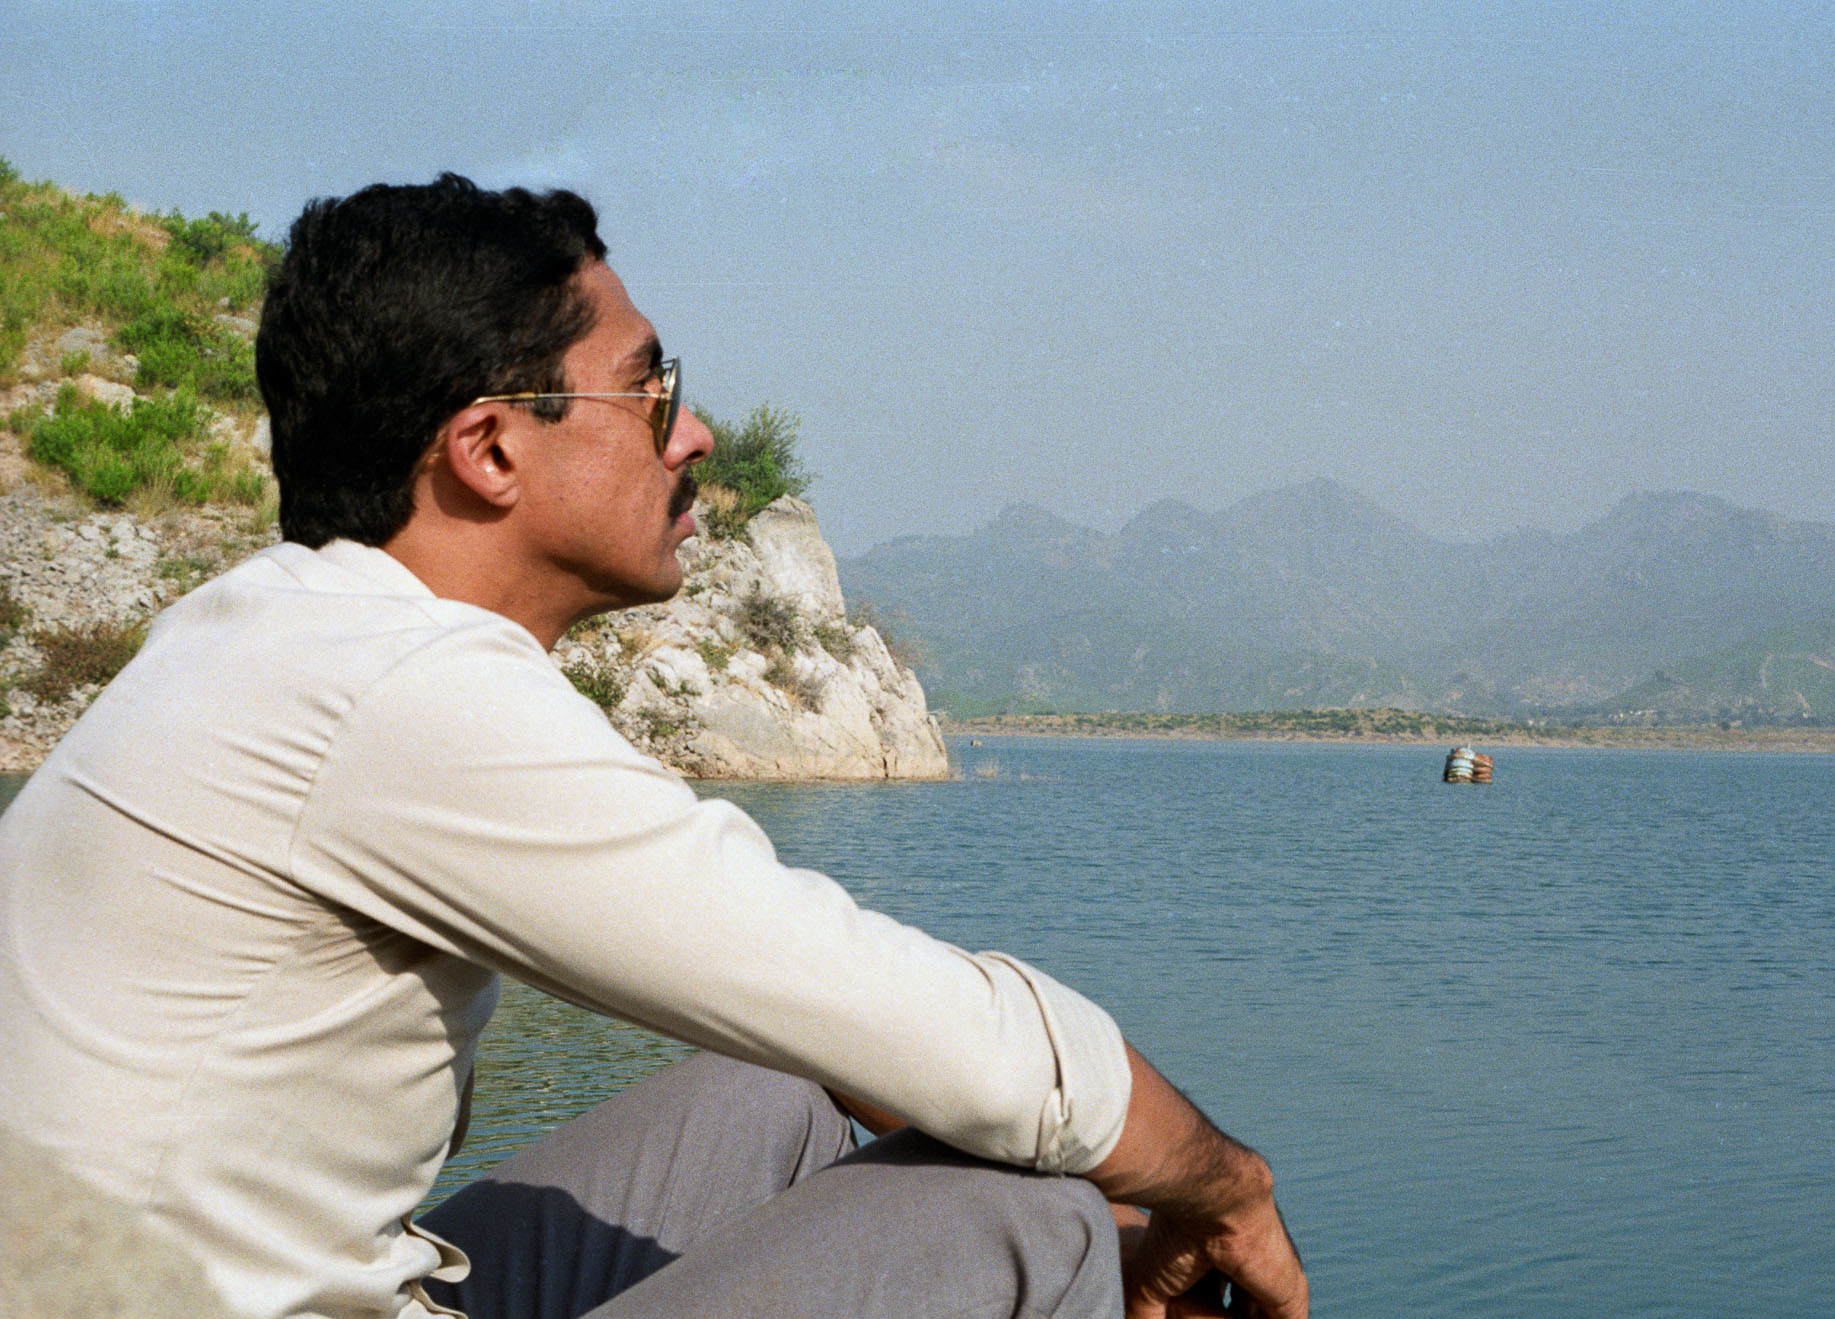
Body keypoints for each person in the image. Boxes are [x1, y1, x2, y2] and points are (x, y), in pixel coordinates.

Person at [0, 175, 1307, 1319]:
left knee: (778, 1093)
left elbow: (854, 1029)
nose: (693, 433)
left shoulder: (275, 631)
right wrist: (1224, 1187)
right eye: (648, 389)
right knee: (1032, 1225)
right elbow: (943, 1030)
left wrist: (1125, 1181)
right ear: (490, 449)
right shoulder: (399, 692)